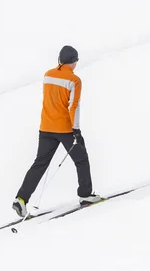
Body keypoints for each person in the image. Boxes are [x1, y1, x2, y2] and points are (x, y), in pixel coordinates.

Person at [12, 45, 99, 217]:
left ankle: (21, 199)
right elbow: (73, 106)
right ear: (73, 61)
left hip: (45, 127)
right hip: (64, 128)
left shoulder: (48, 75)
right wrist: (76, 130)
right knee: (81, 159)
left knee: (40, 164)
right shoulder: (74, 80)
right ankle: (85, 195)